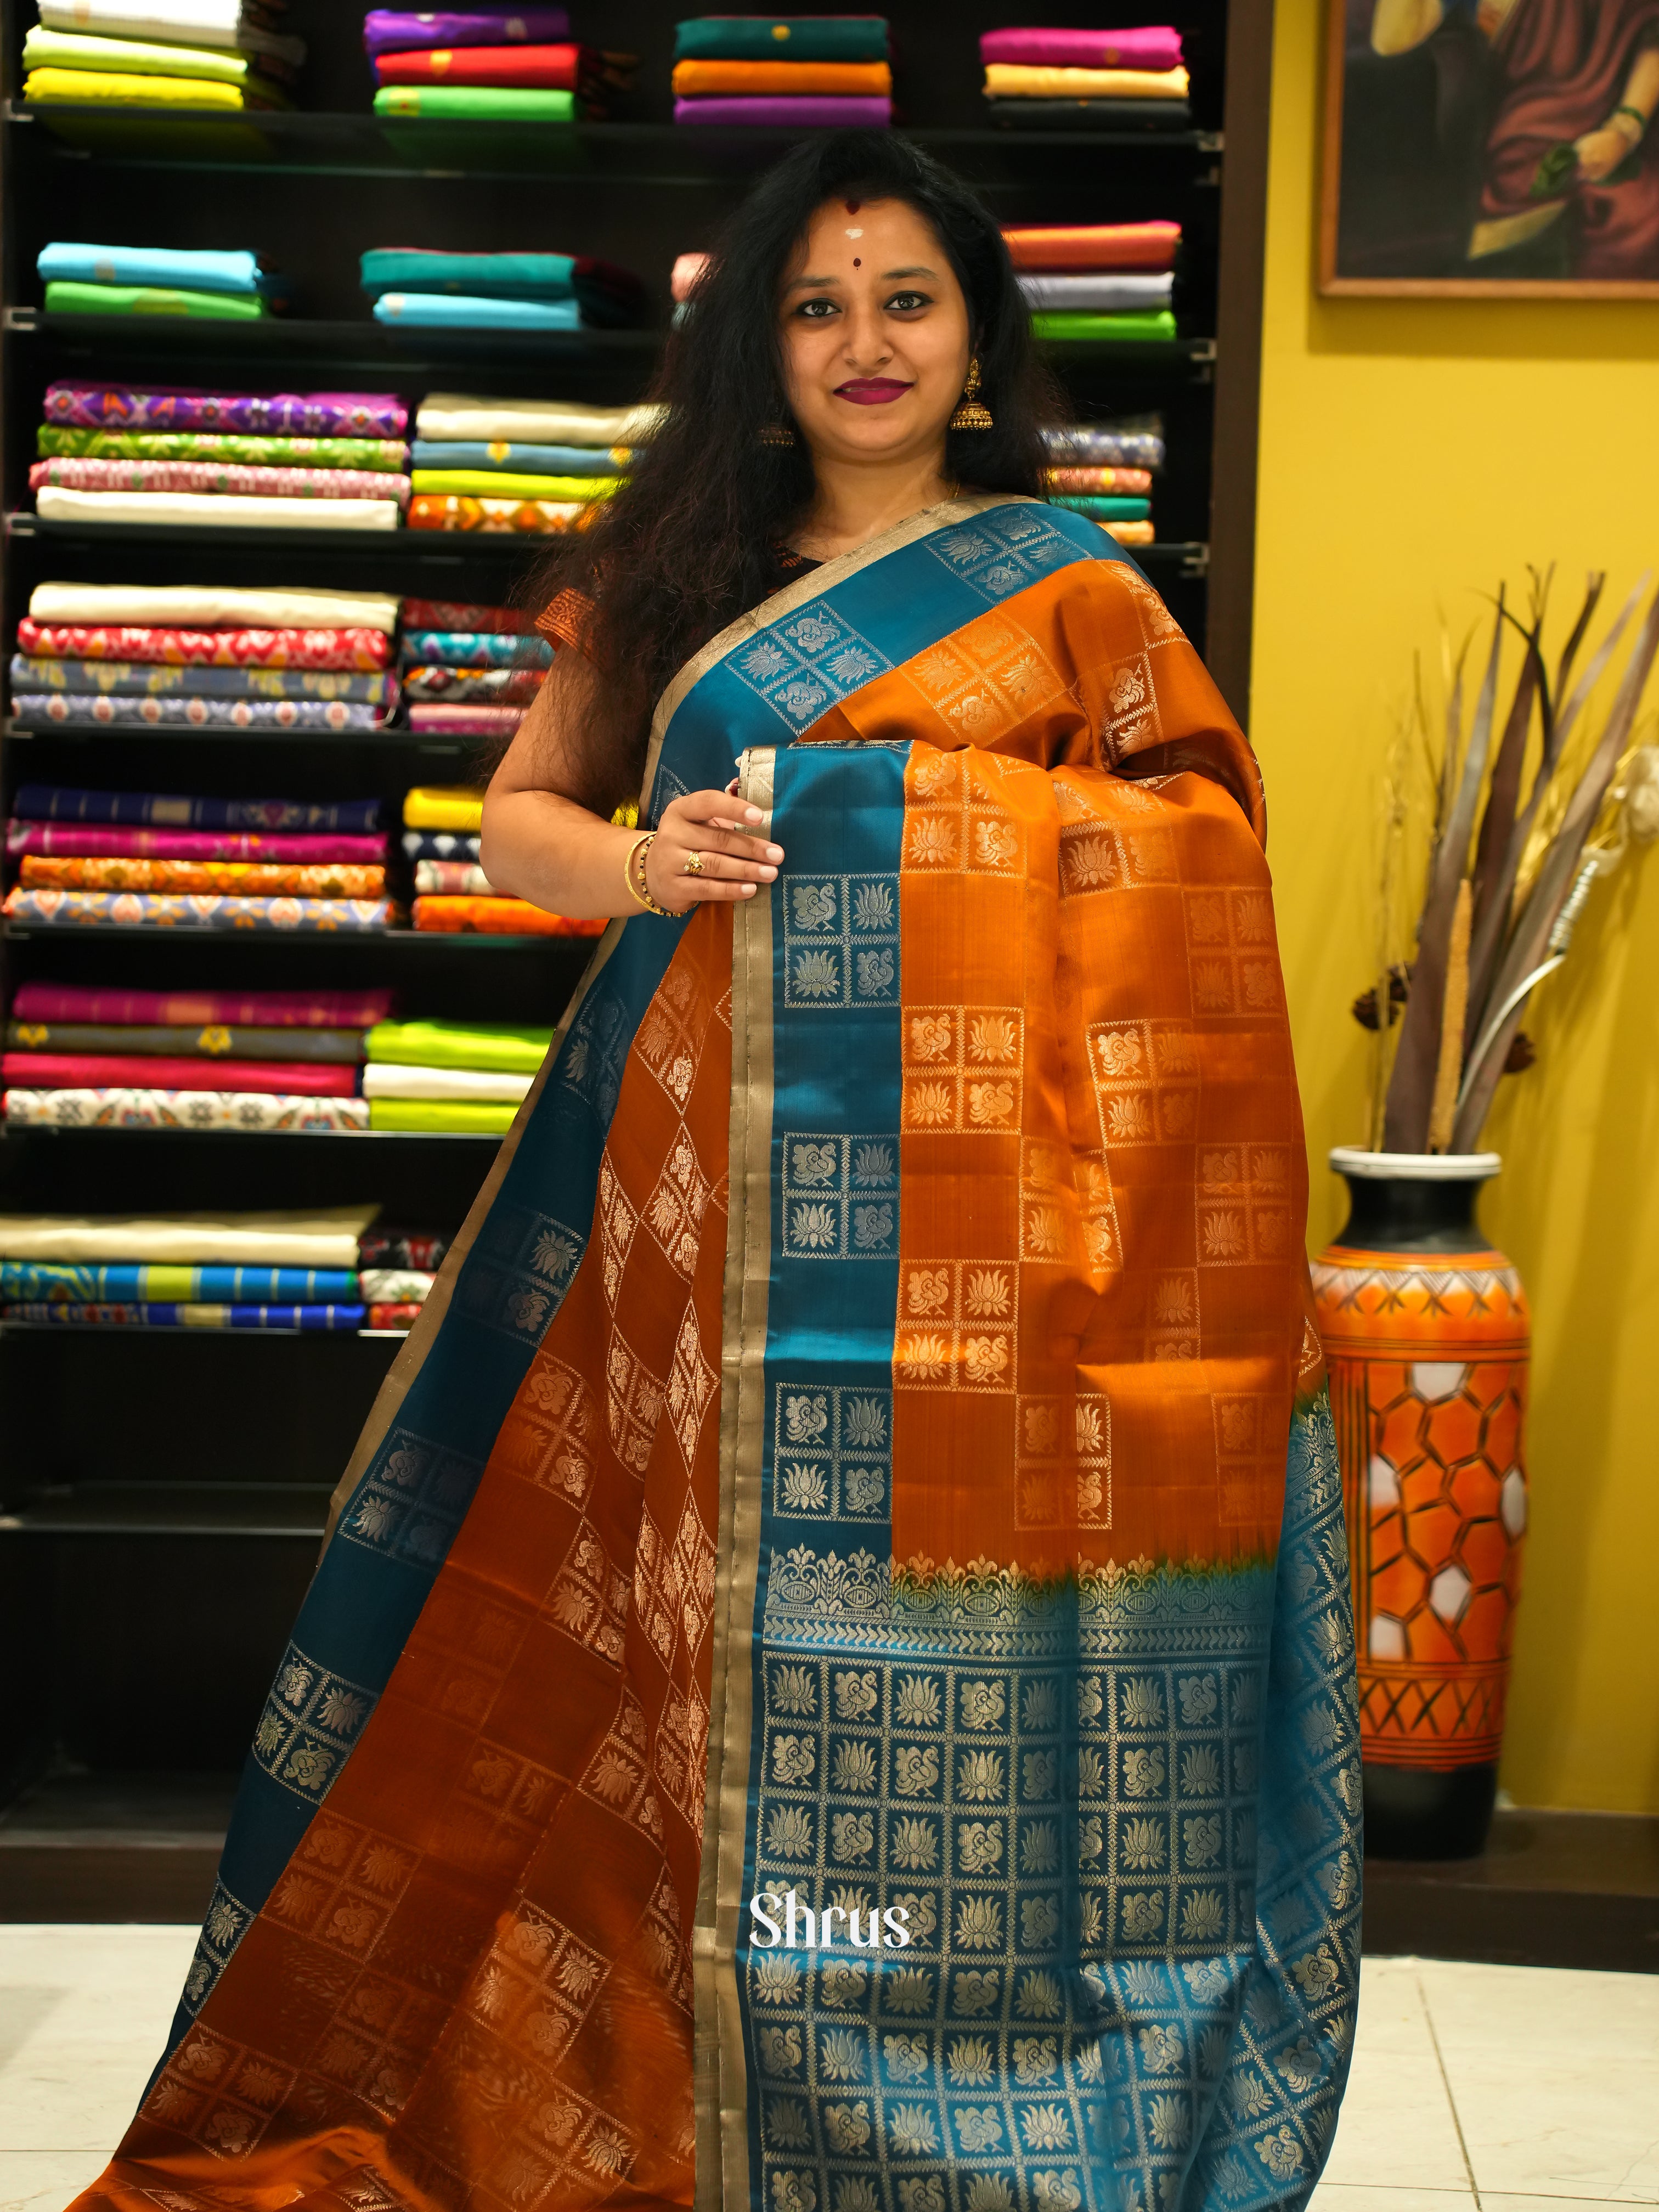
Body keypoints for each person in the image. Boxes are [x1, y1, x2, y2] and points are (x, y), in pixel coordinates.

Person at [71, 131, 1360, 2212]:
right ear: (760, 347)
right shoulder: (676, 569)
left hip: (996, 1266)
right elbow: (518, 823)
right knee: (664, 1636)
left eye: (906, 300)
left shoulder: (1076, 591)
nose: (864, 343)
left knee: (948, 1670)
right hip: (687, 1217)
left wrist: (910, 824)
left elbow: (1203, 852)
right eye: (814, 307)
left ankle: (954, 2088)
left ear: (976, 339)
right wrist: (648, 858)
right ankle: (684, 2086)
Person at [1370, 0, 1659, 276]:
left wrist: (1624, 129)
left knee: (1636, 215)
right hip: (1514, 139)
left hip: (1612, 128)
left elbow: (1652, 29)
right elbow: (1390, 41)